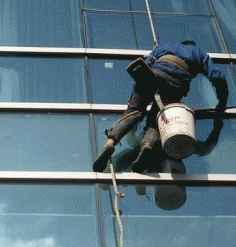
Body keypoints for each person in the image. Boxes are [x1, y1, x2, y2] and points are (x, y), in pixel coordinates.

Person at [92, 40, 228, 173]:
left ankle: (110, 143)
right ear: (191, 45)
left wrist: (133, 96)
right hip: (175, 83)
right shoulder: (198, 53)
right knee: (157, 120)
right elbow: (218, 77)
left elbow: (146, 64)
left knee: (133, 112)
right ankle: (147, 145)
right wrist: (222, 102)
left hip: (152, 75)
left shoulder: (167, 45)